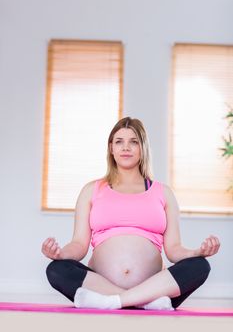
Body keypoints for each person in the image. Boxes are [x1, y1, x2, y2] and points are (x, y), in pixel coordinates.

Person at [41, 117, 220, 310]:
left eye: (133, 141)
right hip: (129, 290)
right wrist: (60, 254)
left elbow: (174, 249)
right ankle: (145, 302)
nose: (126, 147)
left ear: (143, 148)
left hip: (151, 284)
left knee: (200, 266)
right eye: (119, 141)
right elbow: (78, 245)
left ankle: (113, 302)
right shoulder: (91, 190)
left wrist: (196, 252)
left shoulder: (164, 192)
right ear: (111, 148)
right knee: (56, 269)